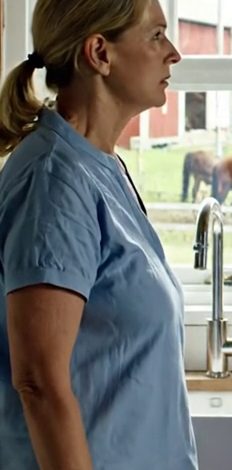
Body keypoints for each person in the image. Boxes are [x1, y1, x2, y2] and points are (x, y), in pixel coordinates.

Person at [0, 1, 195, 469]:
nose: (173, 53)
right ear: (100, 54)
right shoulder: (54, 181)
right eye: (156, 35)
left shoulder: (97, 165)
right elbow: (39, 382)